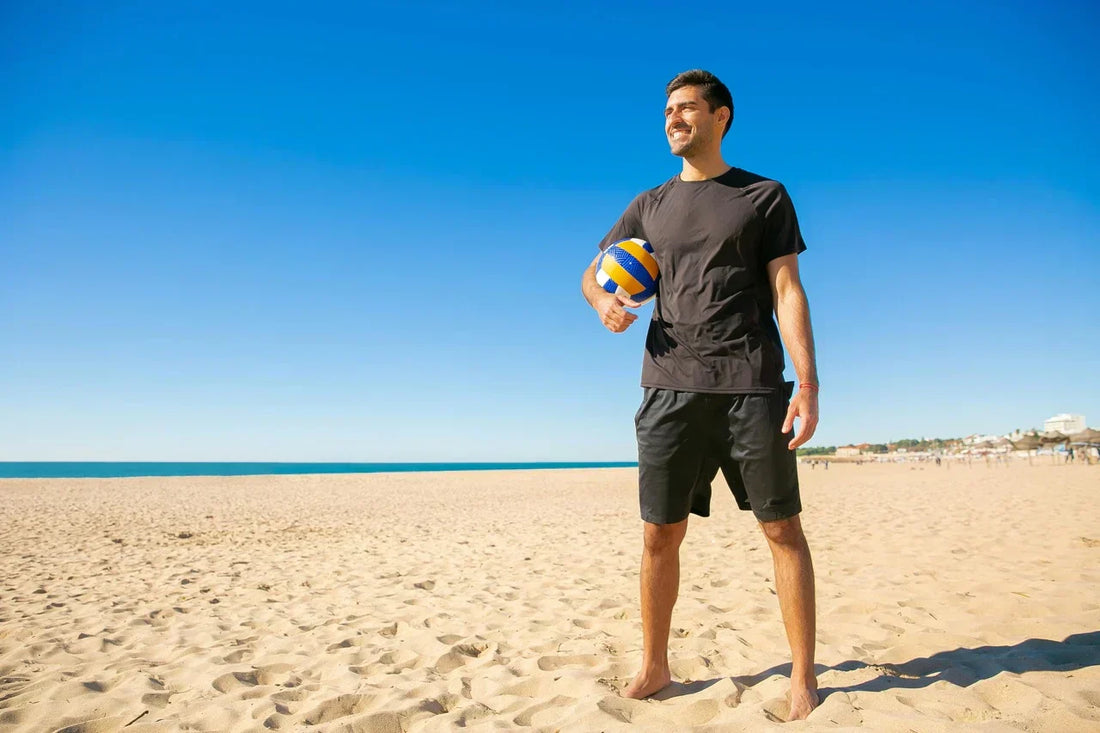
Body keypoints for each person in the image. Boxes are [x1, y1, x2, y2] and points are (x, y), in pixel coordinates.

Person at [581, 69, 821, 721]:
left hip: (752, 384)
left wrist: (807, 382)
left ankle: (803, 676)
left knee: (782, 528)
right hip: (668, 387)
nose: (674, 119)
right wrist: (603, 301)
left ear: (721, 116)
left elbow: (787, 290)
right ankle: (654, 664)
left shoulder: (763, 196)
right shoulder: (649, 204)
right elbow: (592, 272)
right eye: (668, 111)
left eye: (687, 108)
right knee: (660, 533)